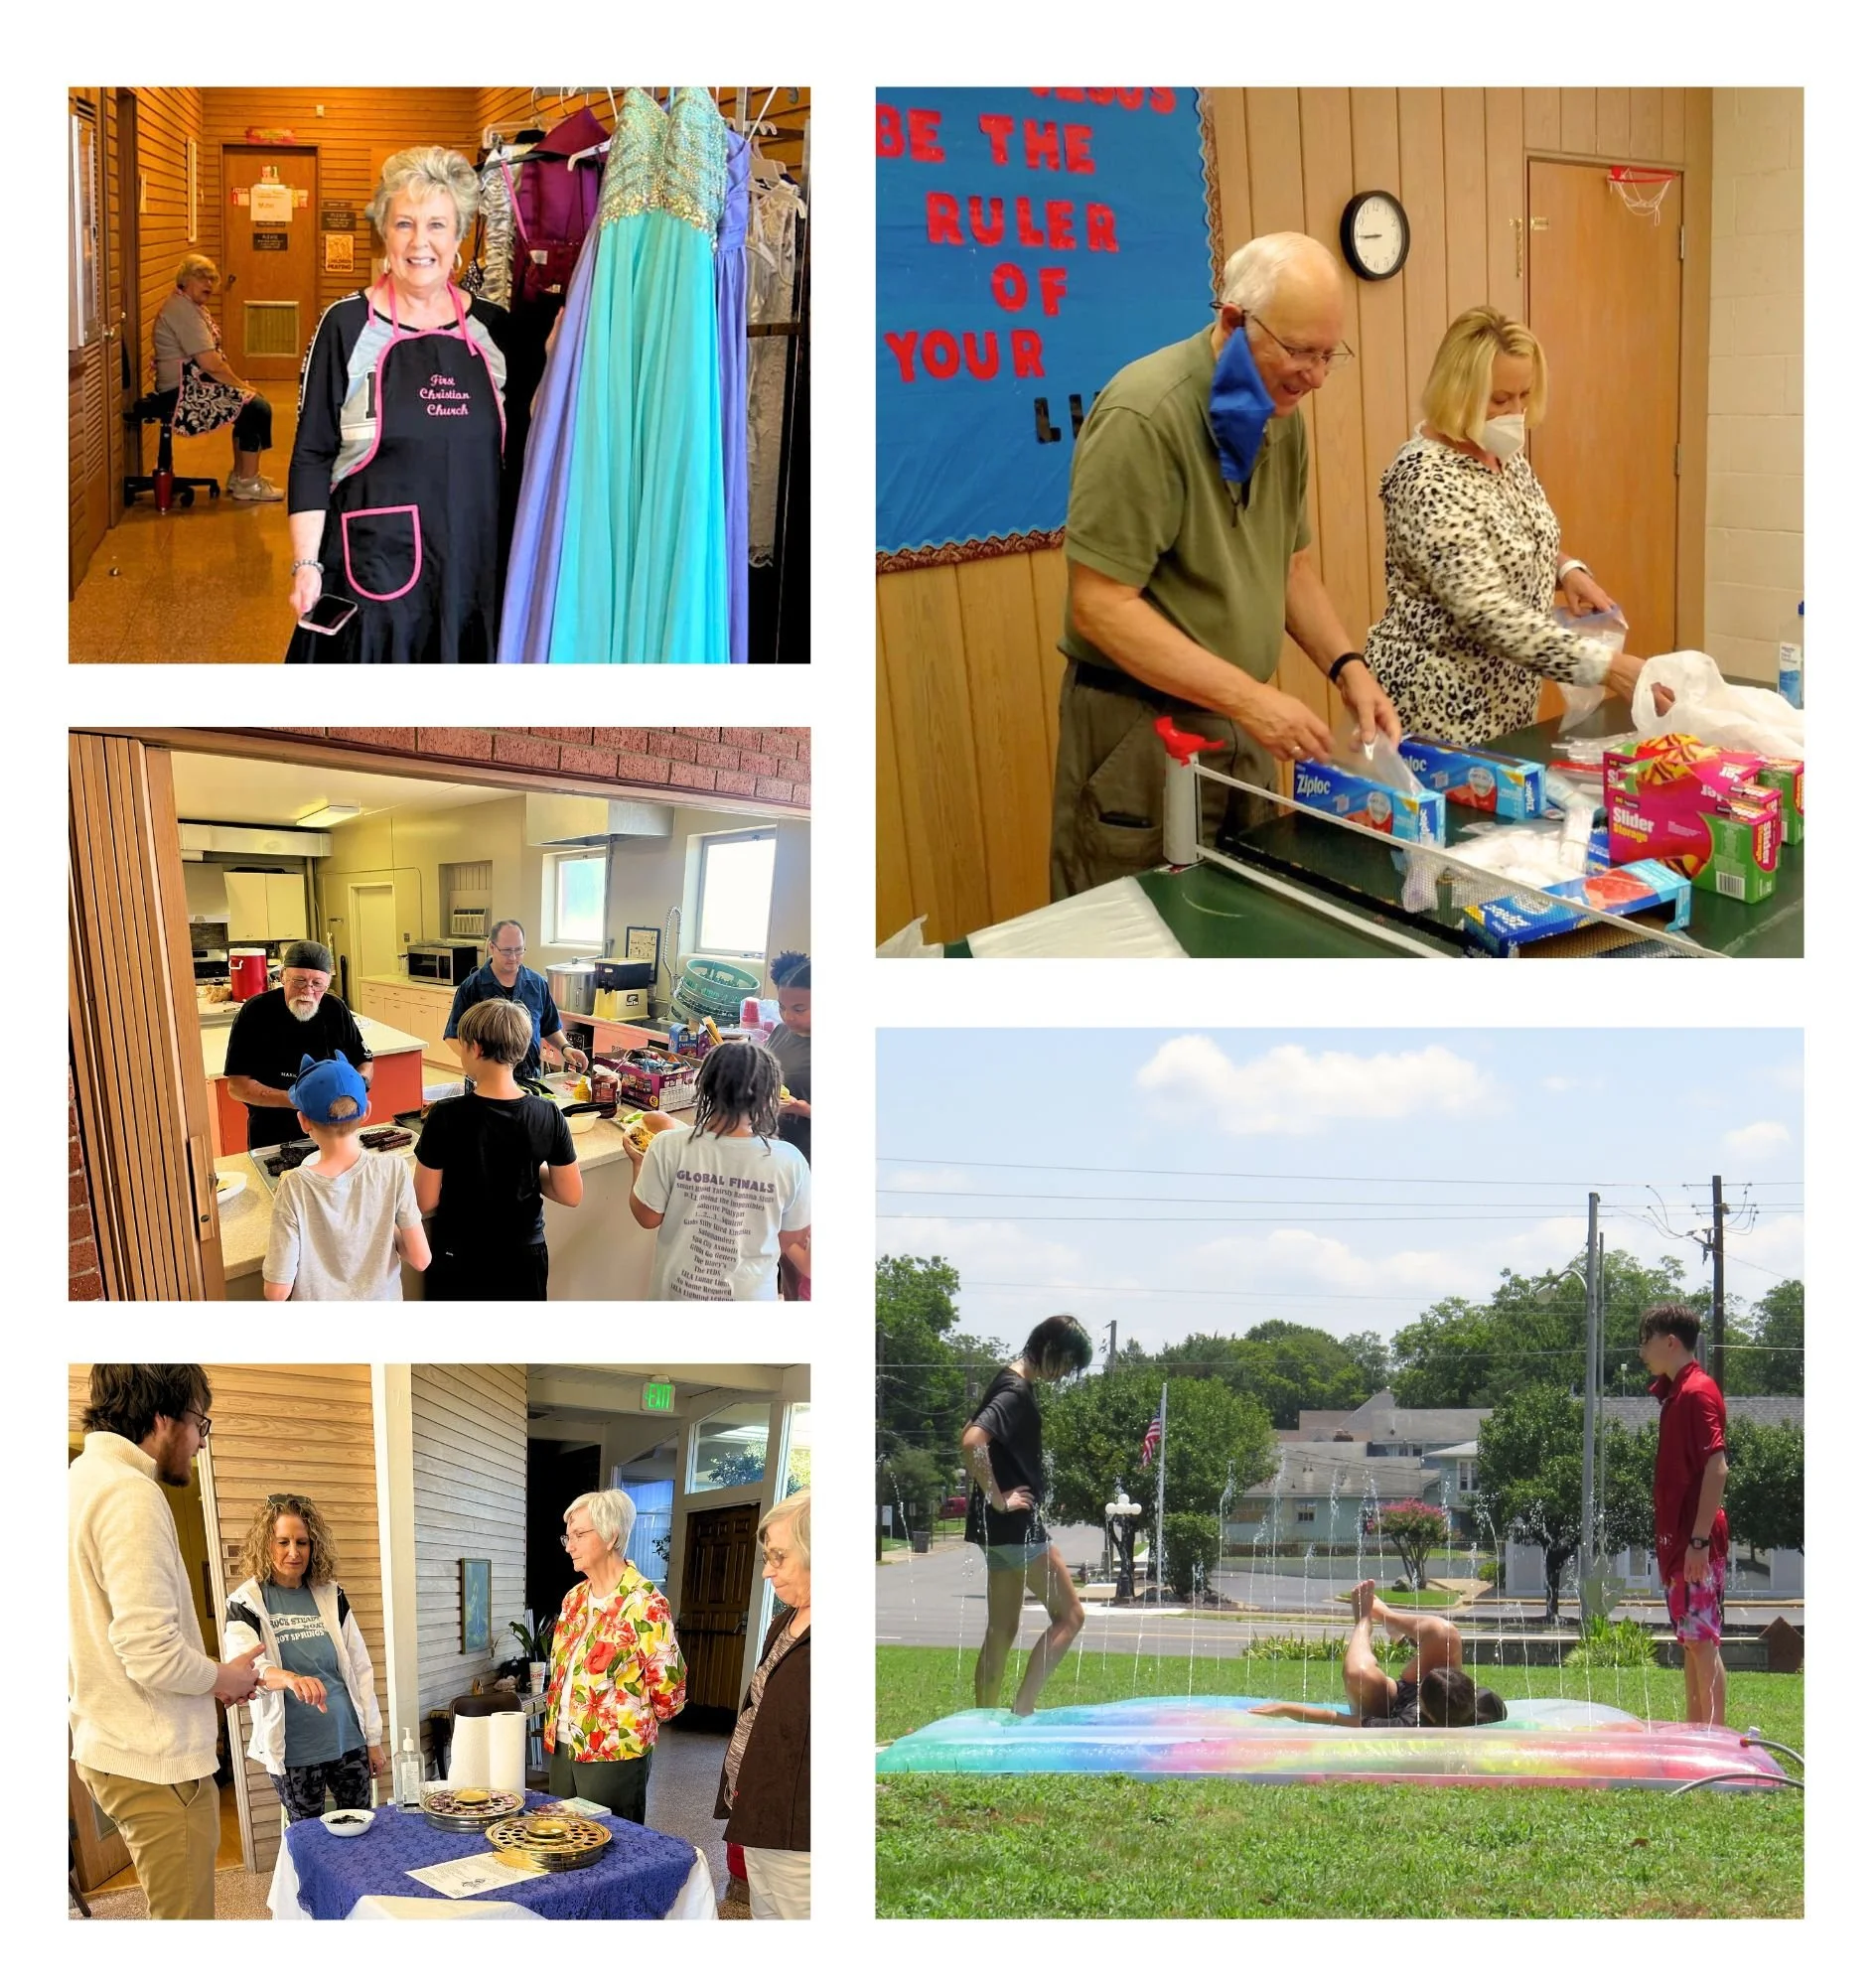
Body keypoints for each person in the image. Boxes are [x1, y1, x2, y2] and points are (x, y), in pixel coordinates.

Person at [1051, 230, 1400, 900]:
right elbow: (1100, 606)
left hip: (1239, 720)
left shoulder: (1279, 414)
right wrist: (1253, 700)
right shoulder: (1143, 414)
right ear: (1233, 321)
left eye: (1330, 355)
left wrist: (1347, 667)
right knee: (1143, 920)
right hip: (1141, 730)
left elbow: (1289, 565)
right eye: (1299, 351)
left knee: (1241, 910)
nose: (1316, 376)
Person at [1365, 306, 1660, 743]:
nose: (1515, 413)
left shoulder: (1498, 452)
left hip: (1506, 701)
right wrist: (1608, 668)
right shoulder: (1426, 479)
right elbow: (1488, 613)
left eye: (1524, 395)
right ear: (1457, 392)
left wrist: (1565, 570)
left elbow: (1513, 530)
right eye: (1500, 399)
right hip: (1438, 711)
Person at [285, 146, 510, 663]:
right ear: (384, 233)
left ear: (458, 238)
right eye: (404, 223)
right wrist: (305, 565)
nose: (419, 242)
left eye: (437, 225)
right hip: (371, 580)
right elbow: (312, 454)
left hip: (472, 575)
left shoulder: (497, 330)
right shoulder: (345, 326)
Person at [70, 1366, 264, 1918]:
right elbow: (150, 1651)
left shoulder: (80, 1481)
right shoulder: (129, 1495)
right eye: (200, 1423)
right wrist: (224, 1677)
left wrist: (210, 1681)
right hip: (156, 1764)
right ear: (162, 1418)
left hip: (112, 1743)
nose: (201, 1441)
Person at [223, 1493, 387, 1823]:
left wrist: (373, 1739)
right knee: (308, 1839)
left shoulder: (331, 1594)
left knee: (360, 1830)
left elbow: (359, 1668)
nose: (293, 1552)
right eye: (282, 1542)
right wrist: (290, 1679)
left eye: (302, 1542)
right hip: (294, 1750)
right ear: (266, 1544)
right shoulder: (246, 1602)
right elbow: (248, 1668)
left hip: (347, 1739)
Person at [961, 1315, 1094, 1717]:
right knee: (1070, 1616)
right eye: (1068, 1364)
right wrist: (999, 1496)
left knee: (1001, 1629)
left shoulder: (1005, 1380)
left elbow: (970, 1426)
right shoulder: (1016, 1391)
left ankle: (986, 1718)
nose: (1067, 1374)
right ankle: (1022, 1712)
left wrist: (993, 1500)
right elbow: (972, 1441)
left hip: (997, 1530)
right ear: (1050, 1350)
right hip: (1016, 1526)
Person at [414, 997, 582, 1300]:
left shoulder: (445, 1116)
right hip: (524, 1256)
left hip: (461, 1255)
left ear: (476, 1049)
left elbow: (424, 1201)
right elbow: (570, 1194)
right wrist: (526, 1170)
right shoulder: (549, 1114)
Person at [626, 1039, 810, 1301]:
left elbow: (647, 1217)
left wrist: (637, 1161)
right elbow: (792, 1236)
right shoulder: (790, 1161)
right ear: (769, 1095)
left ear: (705, 1086)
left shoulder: (668, 1145)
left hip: (679, 1294)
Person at [543, 1490, 686, 1824]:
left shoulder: (645, 1603)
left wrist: (630, 1718)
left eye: (579, 1535)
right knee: (561, 1839)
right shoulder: (574, 1599)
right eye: (568, 1535)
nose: (569, 1545)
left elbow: (670, 1691)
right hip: (564, 1744)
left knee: (611, 1846)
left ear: (612, 1537)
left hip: (615, 1751)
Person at [261, 1054, 429, 1300]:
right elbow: (421, 1258)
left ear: (303, 1121)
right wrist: (384, 1229)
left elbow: (277, 1292)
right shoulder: (394, 1170)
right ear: (367, 1112)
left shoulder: (293, 1187)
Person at [715, 1489, 810, 1919]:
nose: (768, 1572)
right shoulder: (786, 1618)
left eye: (780, 1557)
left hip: (801, 1833)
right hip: (759, 1812)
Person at [1638, 1302, 1730, 1726]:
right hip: (1680, 1540)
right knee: (1692, 1640)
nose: (1642, 1352)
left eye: (1646, 1341)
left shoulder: (1696, 1392)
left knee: (1702, 1641)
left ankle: (1714, 1739)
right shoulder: (1677, 1394)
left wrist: (1698, 1541)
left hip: (1694, 1540)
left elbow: (1717, 1466)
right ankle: (1698, 1731)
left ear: (1670, 1341)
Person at [1253, 1577, 1509, 1728]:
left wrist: (1285, 1708)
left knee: (1359, 1675)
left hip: (1389, 1704)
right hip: (1442, 1697)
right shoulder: (1490, 1703)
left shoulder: (1408, 1724)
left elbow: (1335, 1718)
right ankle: (1388, 1618)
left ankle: (1364, 1621)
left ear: (1425, 1711)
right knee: (1445, 1633)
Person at [150, 254, 280, 502]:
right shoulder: (182, 310)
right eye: (201, 278)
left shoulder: (191, 306)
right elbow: (210, 363)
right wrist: (242, 386)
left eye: (212, 278)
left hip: (192, 383)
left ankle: (242, 475)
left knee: (248, 404)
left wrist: (240, 387)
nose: (208, 283)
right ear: (185, 281)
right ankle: (248, 483)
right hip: (181, 393)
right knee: (255, 407)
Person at [223, 940, 372, 1151]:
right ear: (283, 976)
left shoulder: (335, 1009)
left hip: (333, 1131)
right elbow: (237, 1087)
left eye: (317, 984)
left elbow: (364, 1061)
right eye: (299, 981)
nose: (307, 991)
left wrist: (359, 1087)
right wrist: (298, 1100)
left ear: (327, 983)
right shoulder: (256, 1012)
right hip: (273, 1132)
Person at [443, 922, 588, 1085]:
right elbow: (452, 1036)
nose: (513, 957)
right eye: (506, 951)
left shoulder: (537, 983)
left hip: (530, 1079)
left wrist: (566, 1048)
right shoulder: (472, 986)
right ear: (492, 946)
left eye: (519, 950)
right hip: (485, 1082)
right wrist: (478, 1064)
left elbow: (550, 1026)